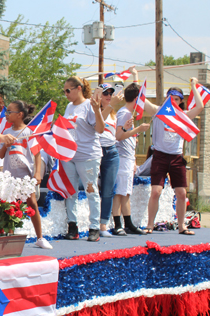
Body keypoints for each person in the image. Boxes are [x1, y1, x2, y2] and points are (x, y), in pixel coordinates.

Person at [143, 78, 204, 235]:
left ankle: (182, 225)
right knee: (156, 191)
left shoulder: (183, 116)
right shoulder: (159, 111)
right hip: (160, 156)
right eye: (170, 98)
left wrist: (193, 86)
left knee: (181, 193)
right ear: (166, 99)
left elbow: (200, 106)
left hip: (176, 157)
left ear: (180, 101)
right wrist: (137, 80)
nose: (173, 101)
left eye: (176, 99)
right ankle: (150, 224)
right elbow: (142, 100)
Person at [0, 100, 53, 250]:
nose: (6, 114)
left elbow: (36, 154)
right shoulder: (5, 133)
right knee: (10, 205)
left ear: (20, 115)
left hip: (25, 175)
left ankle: (40, 237)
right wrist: (6, 145)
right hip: (10, 174)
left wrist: (37, 173)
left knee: (32, 204)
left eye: (10, 112)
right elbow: (1, 155)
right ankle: (9, 237)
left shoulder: (29, 132)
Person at [61, 76, 104, 242]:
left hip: (88, 155)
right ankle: (73, 226)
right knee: (70, 192)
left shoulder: (89, 105)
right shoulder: (69, 106)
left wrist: (98, 110)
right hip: (69, 155)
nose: (65, 94)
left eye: (68, 90)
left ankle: (94, 227)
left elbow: (100, 129)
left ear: (78, 88)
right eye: (64, 90)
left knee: (90, 190)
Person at [111, 82, 151, 235]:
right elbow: (119, 136)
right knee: (119, 192)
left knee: (126, 192)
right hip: (121, 157)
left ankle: (128, 222)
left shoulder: (128, 114)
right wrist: (137, 129)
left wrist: (134, 160)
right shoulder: (124, 113)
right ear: (136, 99)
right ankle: (117, 224)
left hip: (128, 158)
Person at [97, 83, 122, 237]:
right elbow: (97, 125)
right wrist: (110, 106)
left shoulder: (114, 113)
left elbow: (116, 135)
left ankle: (103, 225)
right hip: (96, 152)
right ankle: (91, 223)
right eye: (105, 93)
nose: (108, 96)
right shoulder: (93, 110)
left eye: (110, 94)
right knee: (92, 189)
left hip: (111, 151)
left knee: (108, 190)